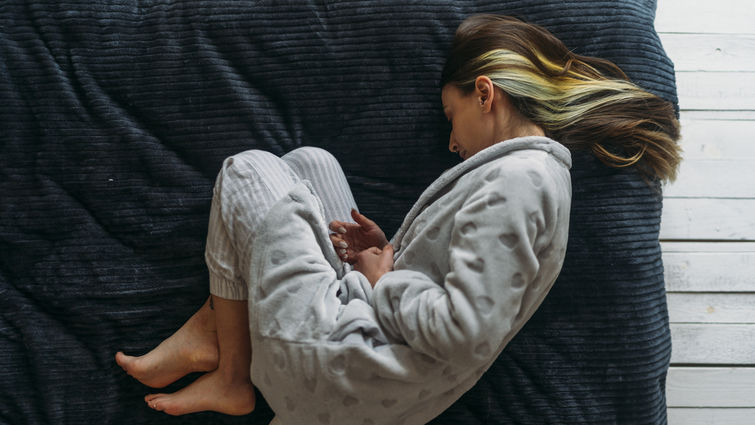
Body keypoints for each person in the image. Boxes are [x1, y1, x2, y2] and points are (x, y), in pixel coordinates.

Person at [115, 14, 680, 425]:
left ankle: (232, 369)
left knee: (246, 172)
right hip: (370, 359)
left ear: (485, 94)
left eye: (449, 116)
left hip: (339, 369)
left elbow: (462, 333)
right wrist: (386, 252)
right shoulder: (527, 177)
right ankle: (222, 329)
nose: (452, 142)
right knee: (311, 166)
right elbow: (468, 287)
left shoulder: (520, 182)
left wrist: (384, 277)